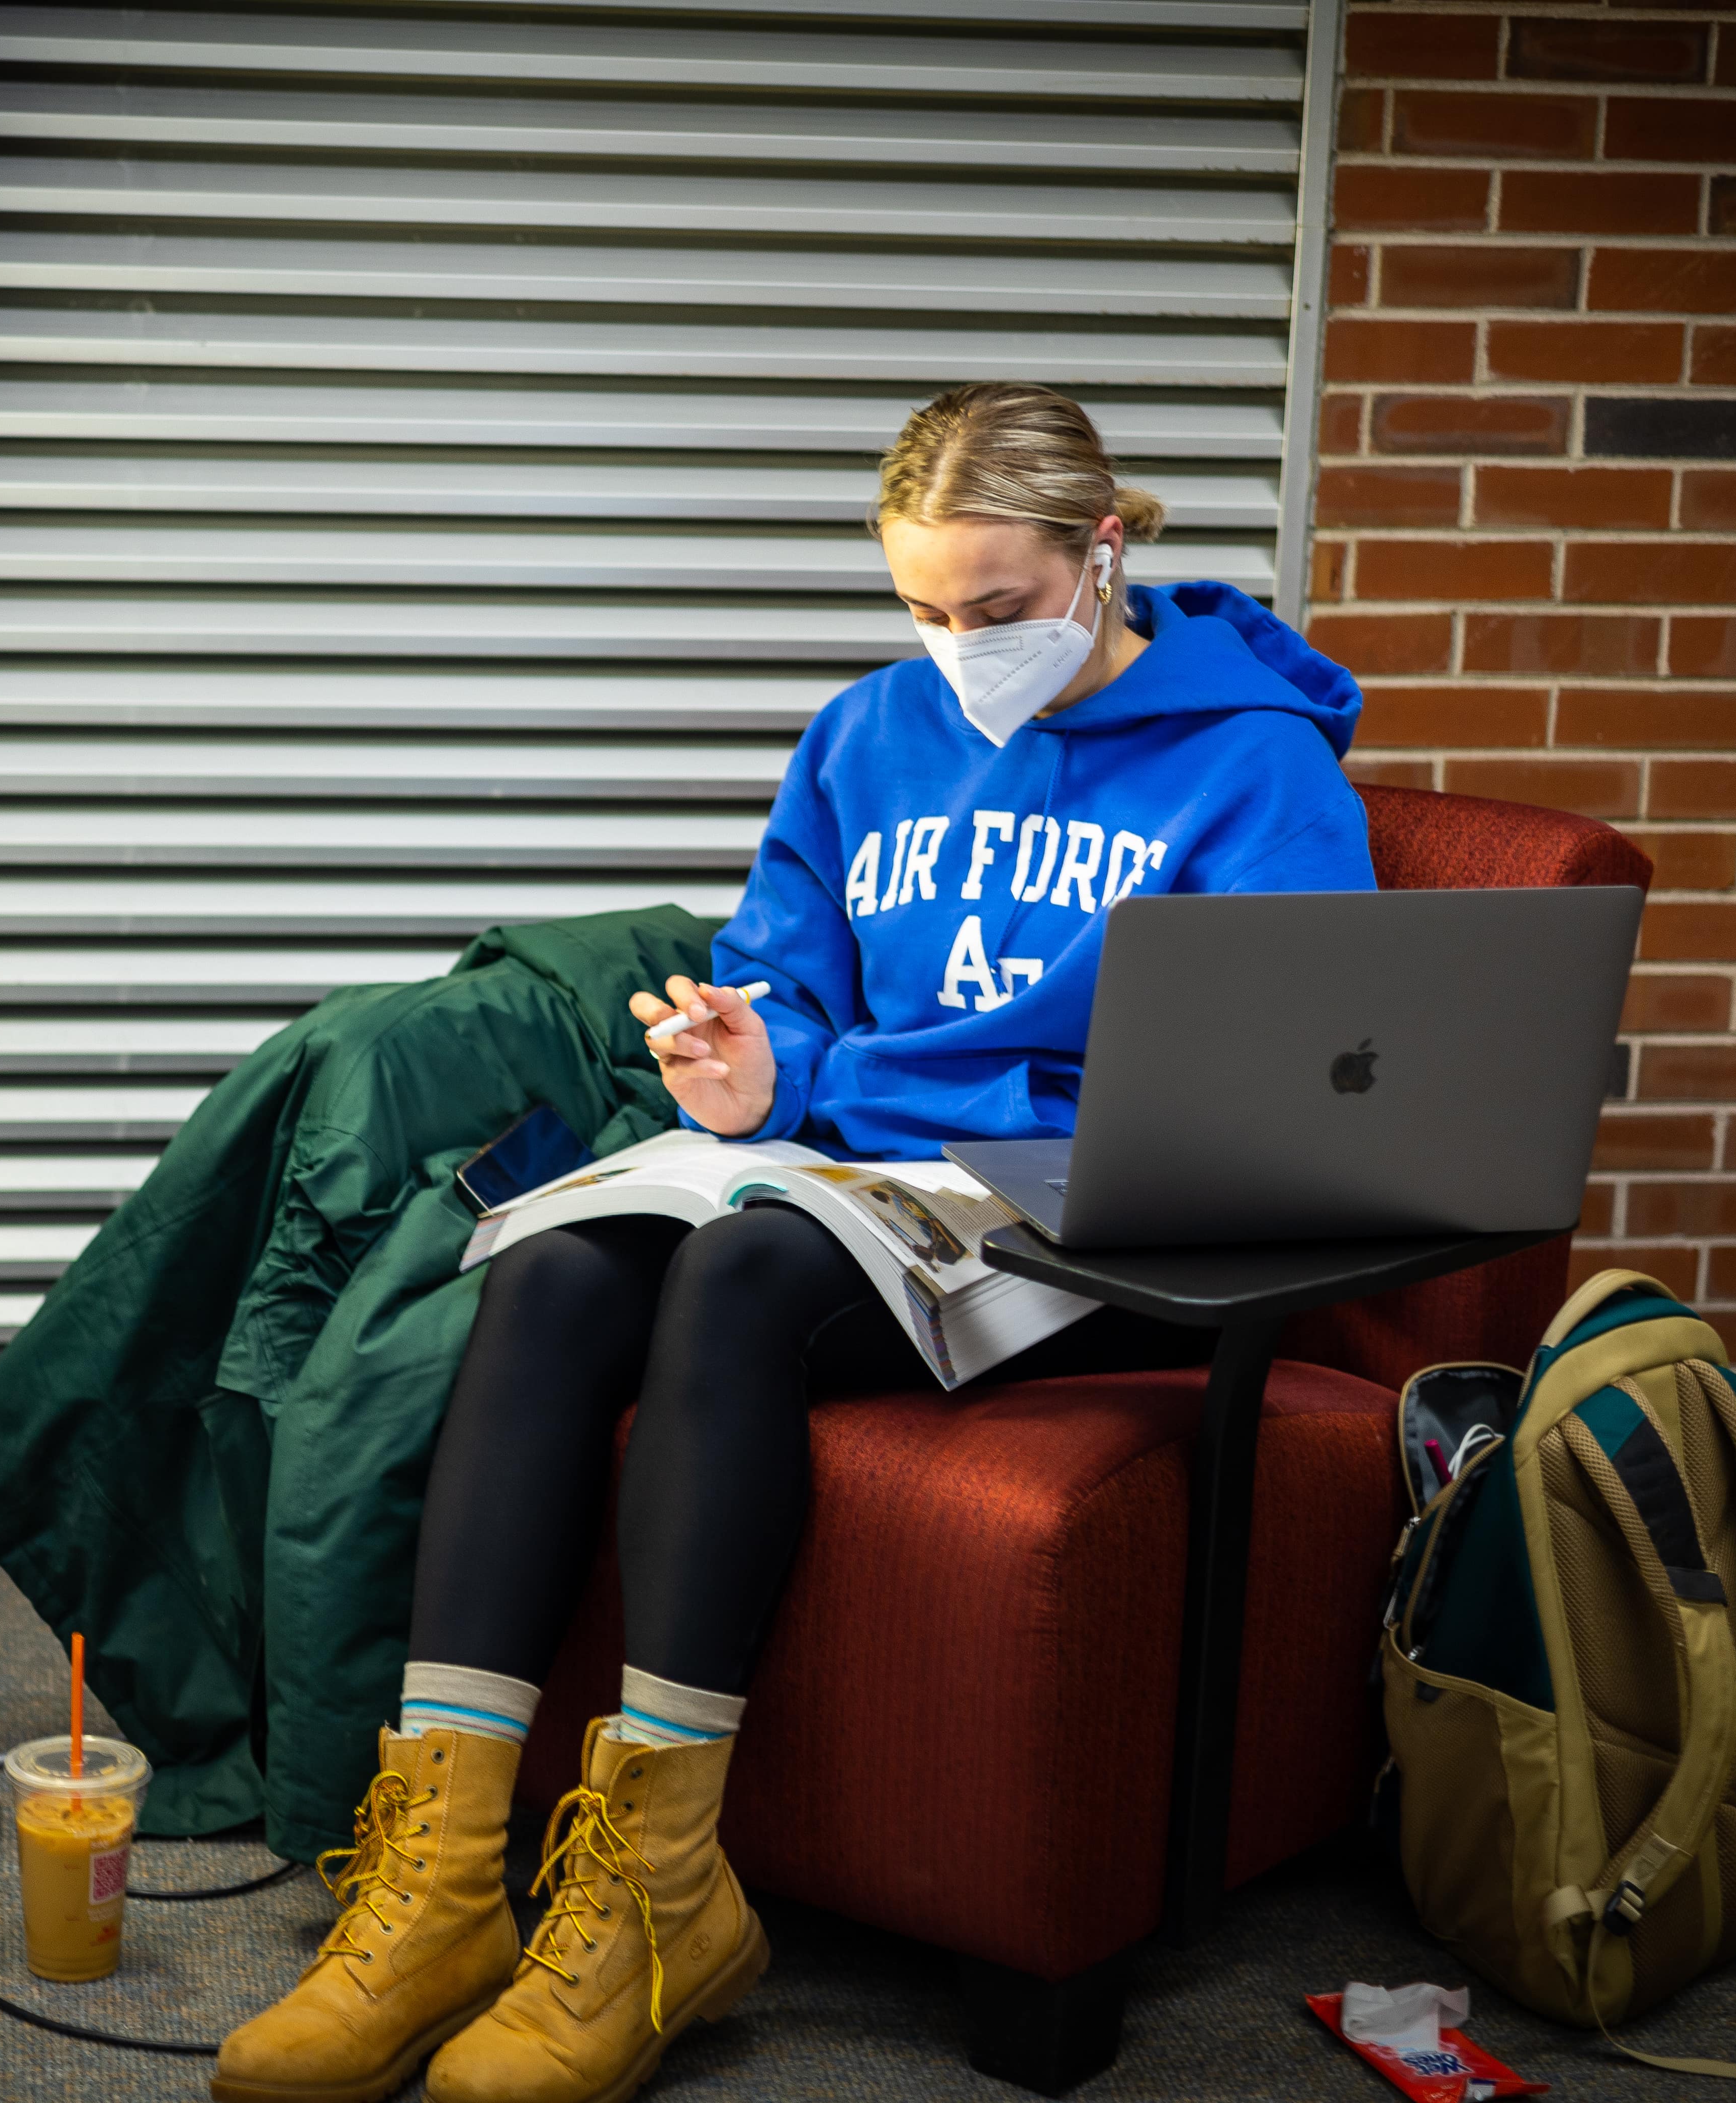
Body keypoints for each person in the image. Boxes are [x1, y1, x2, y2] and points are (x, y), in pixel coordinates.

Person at [211, 383, 1374, 2103]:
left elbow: (1287, 1066)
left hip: (1089, 1211)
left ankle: (659, 1890)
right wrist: (755, 1067)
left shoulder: (1254, 761)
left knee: (747, 1269)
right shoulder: (864, 737)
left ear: (1104, 548)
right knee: (556, 1265)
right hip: (860, 1181)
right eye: (922, 609)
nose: (959, 648)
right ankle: (447, 1880)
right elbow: (794, 991)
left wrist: (897, 1120)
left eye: (999, 608)